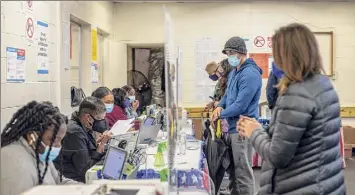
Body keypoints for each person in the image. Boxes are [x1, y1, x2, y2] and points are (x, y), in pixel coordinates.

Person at [238, 23, 345, 195]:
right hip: (324, 184)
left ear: (288, 54)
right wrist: (261, 129)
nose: (274, 58)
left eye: (277, 53)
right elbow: (299, 137)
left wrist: (253, 132)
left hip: (299, 186)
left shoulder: (296, 94)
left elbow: (278, 156)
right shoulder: (323, 84)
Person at [212, 36, 262, 195]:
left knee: (243, 172)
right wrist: (219, 107)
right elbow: (227, 95)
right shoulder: (235, 71)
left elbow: (241, 105)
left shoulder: (250, 74)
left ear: (240, 53)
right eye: (227, 53)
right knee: (233, 169)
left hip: (243, 129)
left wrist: (220, 115)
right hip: (233, 128)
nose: (229, 57)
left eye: (231, 53)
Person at [1, 101, 77, 195]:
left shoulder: (40, 152)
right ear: (32, 136)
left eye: (61, 140)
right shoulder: (16, 164)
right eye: (54, 140)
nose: (59, 146)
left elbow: (59, 181)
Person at [53, 97, 112, 183]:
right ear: (88, 117)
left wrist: (96, 143)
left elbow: (84, 150)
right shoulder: (75, 132)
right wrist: (102, 145)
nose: (101, 122)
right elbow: (86, 170)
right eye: (99, 119)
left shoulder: (83, 126)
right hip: (75, 181)